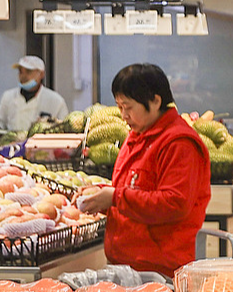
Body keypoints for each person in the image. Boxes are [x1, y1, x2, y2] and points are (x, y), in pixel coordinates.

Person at [76, 64, 211, 275]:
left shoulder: (179, 143)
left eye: (128, 107)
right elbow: (133, 189)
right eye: (119, 107)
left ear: (155, 101)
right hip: (126, 266)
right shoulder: (136, 136)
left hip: (160, 271)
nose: (123, 115)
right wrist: (99, 195)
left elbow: (174, 203)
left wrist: (115, 198)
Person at [0, 55, 69, 142]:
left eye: (28, 71)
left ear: (41, 74)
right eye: (20, 71)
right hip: (11, 148)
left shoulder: (56, 101)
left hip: (42, 151)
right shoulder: (8, 97)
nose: (23, 76)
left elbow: (65, 131)